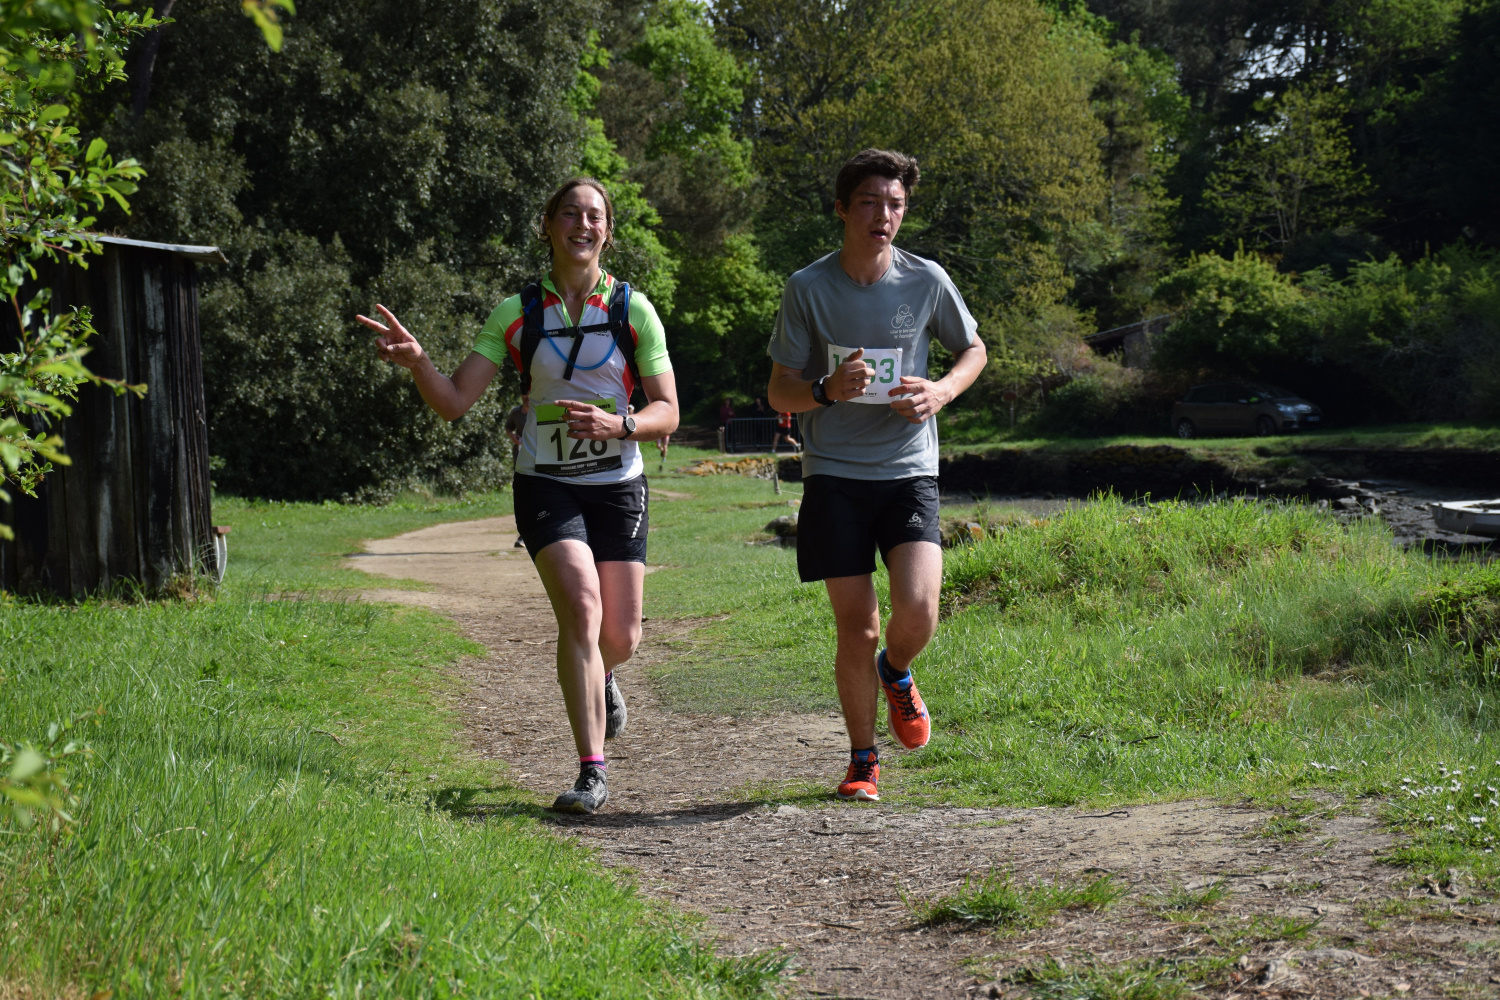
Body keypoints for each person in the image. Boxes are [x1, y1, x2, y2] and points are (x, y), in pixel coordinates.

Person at [357, 177, 679, 815]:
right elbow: (455, 402)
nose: (582, 225)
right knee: (581, 608)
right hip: (546, 481)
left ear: (608, 232)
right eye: (570, 214)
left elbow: (668, 410)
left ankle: (603, 674)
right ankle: (591, 772)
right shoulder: (516, 313)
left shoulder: (633, 310)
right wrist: (420, 363)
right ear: (548, 225)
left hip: (618, 483)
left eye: (594, 216)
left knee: (621, 635)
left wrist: (619, 424)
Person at [766, 148, 986, 803]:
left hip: (908, 468)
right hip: (834, 474)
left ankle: (897, 670)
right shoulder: (808, 288)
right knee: (856, 627)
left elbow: (973, 350)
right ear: (842, 209)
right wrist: (826, 390)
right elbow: (779, 390)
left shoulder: (927, 280)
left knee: (918, 611)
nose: (883, 216)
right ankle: (863, 761)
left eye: (895, 205)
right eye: (869, 202)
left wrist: (941, 391)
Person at [504, 398, 531, 546]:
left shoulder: (540, 410)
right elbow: (508, 427)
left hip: (541, 460)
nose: (527, 397)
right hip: (520, 460)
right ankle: (523, 535)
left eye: (529, 393)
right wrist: (512, 436)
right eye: (524, 394)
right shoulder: (516, 413)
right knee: (523, 496)